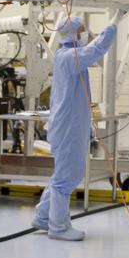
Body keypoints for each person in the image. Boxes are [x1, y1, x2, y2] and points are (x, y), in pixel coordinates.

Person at [33, 15, 118, 242]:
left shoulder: (66, 56)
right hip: (69, 128)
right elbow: (97, 49)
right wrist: (113, 24)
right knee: (67, 177)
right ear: (73, 33)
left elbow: (90, 50)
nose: (85, 32)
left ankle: (43, 217)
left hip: (69, 125)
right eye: (82, 29)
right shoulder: (70, 57)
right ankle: (58, 227)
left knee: (61, 174)